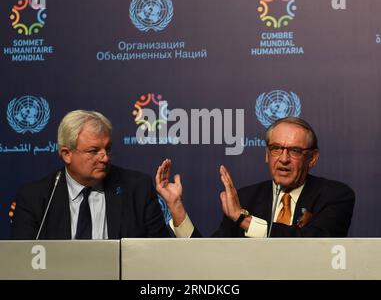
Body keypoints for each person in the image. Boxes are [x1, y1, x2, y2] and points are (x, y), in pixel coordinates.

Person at [156, 117, 355, 237]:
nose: (283, 159)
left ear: (312, 158)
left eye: (294, 150)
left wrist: (243, 220)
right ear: (267, 155)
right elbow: (209, 255)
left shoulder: (335, 195)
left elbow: (313, 244)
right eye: (276, 148)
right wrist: (176, 207)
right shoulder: (246, 198)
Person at [11, 110, 170, 239]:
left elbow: (158, 255)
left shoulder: (137, 188)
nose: (105, 158)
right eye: (94, 151)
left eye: (107, 149)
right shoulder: (35, 197)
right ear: (67, 154)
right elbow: (23, 262)